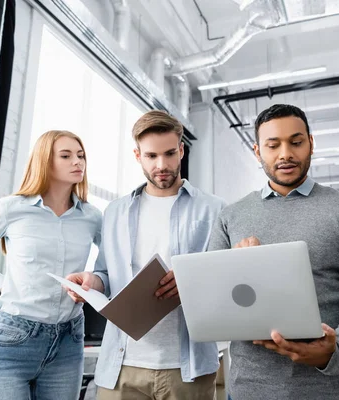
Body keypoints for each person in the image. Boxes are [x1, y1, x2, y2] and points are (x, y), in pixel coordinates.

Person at [207, 104, 339, 400]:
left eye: (296, 142)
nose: (285, 154)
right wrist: (240, 271)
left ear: (311, 143)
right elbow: (215, 302)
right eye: (273, 145)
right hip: (249, 390)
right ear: (257, 151)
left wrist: (336, 350)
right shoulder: (230, 217)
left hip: (333, 390)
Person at [66, 110, 226, 400]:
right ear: (137, 155)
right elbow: (106, 274)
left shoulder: (214, 209)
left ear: (181, 151)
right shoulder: (115, 211)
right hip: (122, 365)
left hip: (187, 367)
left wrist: (194, 280)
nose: (161, 165)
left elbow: (229, 278)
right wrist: (90, 281)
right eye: (151, 156)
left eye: (169, 154)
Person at [0, 130, 102, 400]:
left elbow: (113, 263)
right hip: (13, 338)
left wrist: (94, 279)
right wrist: (5, 286)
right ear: (45, 161)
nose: (78, 162)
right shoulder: (12, 208)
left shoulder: (92, 217)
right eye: (66, 156)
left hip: (68, 341)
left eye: (81, 156)